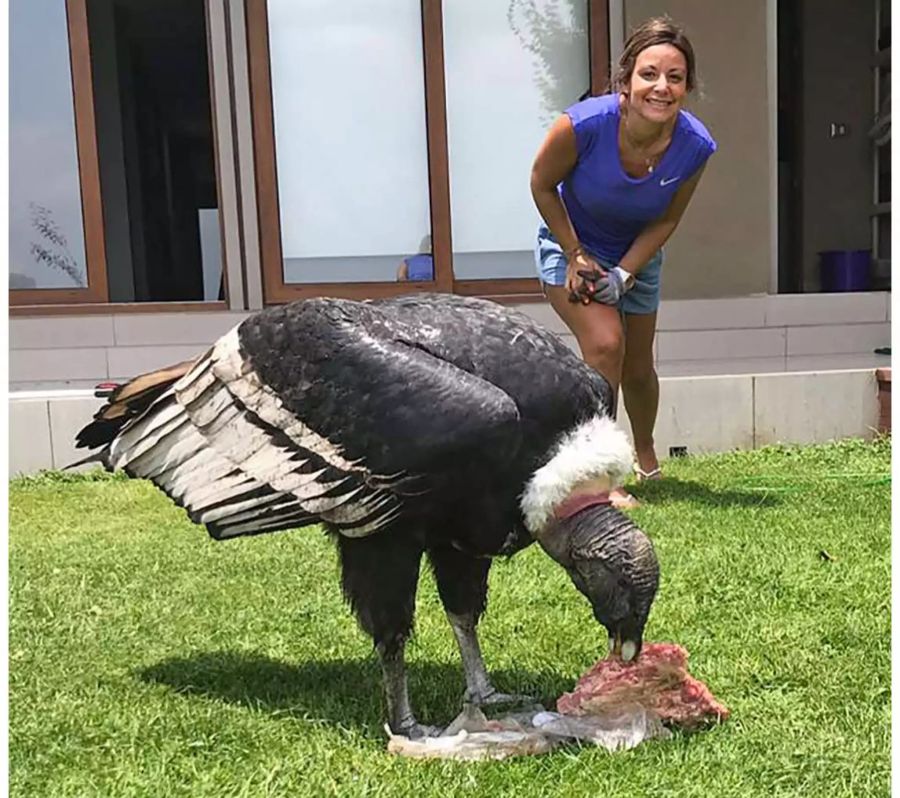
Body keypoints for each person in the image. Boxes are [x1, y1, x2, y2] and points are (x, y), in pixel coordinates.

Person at [530, 16, 716, 509]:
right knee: (606, 343)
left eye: (675, 77)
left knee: (637, 367)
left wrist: (625, 272)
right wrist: (576, 255)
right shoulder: (583, 125)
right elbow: (541, 184)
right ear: (627, 80)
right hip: (573, 245)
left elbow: (666, 220)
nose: (662, 87)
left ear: (687, 86)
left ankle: (646, 452)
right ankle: (597, 475)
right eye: (649, 74)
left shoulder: (695, 146)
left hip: (638, 252)